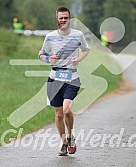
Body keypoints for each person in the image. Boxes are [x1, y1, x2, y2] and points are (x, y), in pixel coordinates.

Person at [38, 6, 90, 156]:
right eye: (61, 18)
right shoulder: (50, 37)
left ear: (70, 18)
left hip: (72, 78)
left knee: (67, 110)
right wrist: (48, 58)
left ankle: (70, 136)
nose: (63, 20)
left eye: (66, 18)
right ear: (57, 19)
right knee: (59, 114)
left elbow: (87, 49)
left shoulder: (78, 35)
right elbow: (41, 55)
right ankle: (64, 143)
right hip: (54, 78)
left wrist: (79, 58)